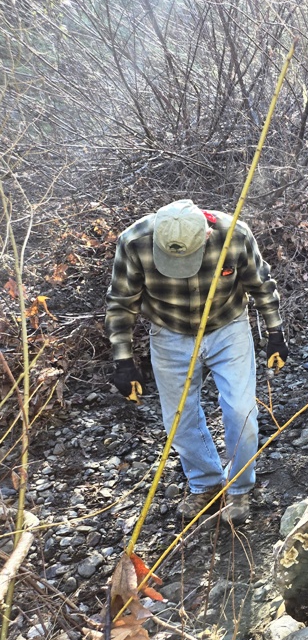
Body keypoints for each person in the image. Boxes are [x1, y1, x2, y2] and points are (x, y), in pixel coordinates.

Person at [104, 199, 288, 526]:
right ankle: (206, 483)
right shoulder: (133, 243)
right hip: (169, 332)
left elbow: (261, 285)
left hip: (227, 326)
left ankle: (240, 487)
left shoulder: (234, 236)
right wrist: (123, 361)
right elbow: (121, 304)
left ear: (205, 236)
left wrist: (275, 333)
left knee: (241, 412)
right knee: (179, 418)